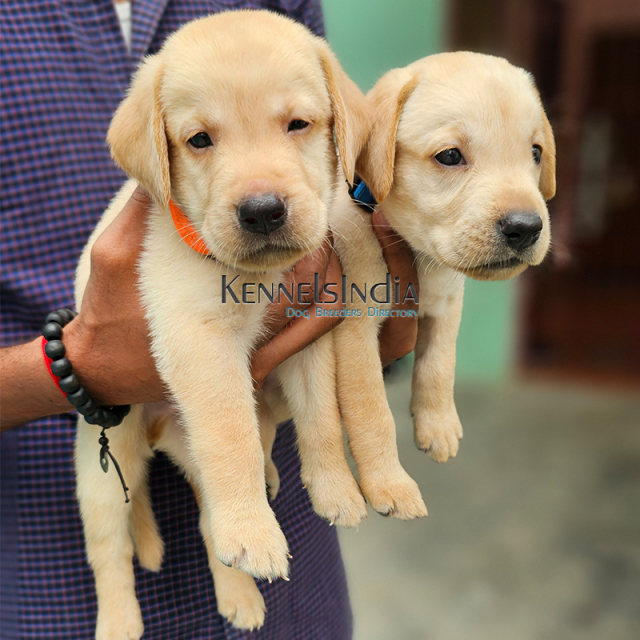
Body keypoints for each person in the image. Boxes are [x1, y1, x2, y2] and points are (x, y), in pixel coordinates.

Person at [0, 1, 418, 638]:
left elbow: (349, 310)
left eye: (298, 123)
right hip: (45, 572)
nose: (259, 192)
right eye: (200, 139)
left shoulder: (288, 30)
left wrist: (382, 315)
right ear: (158, 158)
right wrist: (71, 369)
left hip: (294, 577)